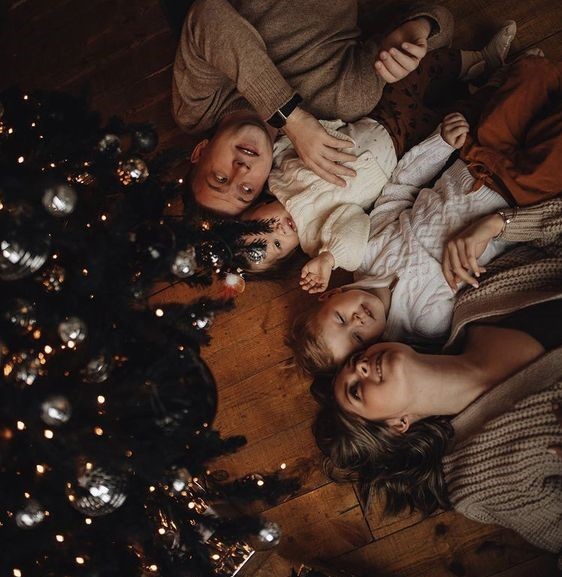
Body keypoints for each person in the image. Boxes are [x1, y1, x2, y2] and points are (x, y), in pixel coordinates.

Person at [311, 196, 562, 557]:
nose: (361, 365)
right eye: (355, 390)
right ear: (397, 424)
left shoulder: (477, 300)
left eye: (356, 359)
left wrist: (500, 224)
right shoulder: (482, 479)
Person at [287, 54, 560, 376]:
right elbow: (492, 283)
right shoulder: (426, 323)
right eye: (358, 337)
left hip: (472, 162)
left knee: (532, 73)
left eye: (340, 319)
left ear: (330, 295)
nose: (357, 321)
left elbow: (401, 187)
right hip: (518, 198)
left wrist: (440, 144)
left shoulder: (365, 251)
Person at [173, 0, 459, 215]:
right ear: (266, 181)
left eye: (220, 178)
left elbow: (207, 14)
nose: (241, 170)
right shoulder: (342, 100)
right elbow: (439, 20)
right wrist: (416, 30)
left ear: (200, 152)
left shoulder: (197, 110)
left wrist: (290, 116)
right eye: (247, 189)